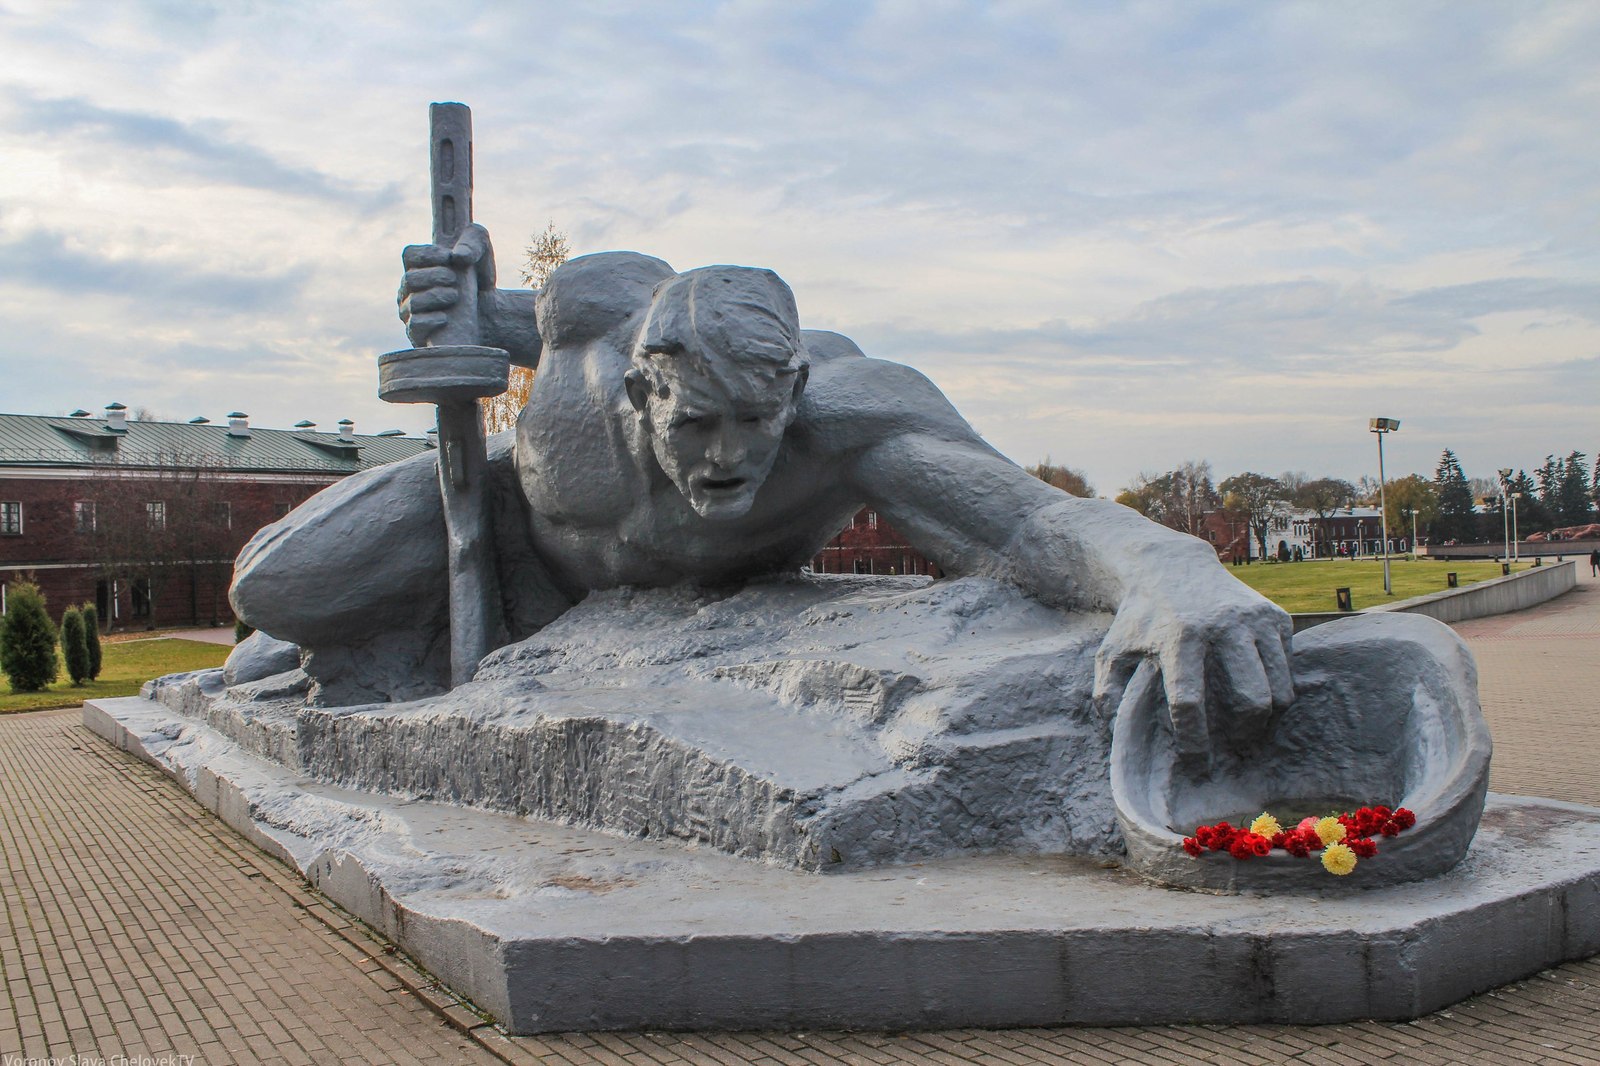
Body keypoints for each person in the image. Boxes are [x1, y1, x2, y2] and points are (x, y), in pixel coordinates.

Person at [231, 225, 1294, 756]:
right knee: (274, 591)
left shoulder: (850, 409)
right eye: (695, 424)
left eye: (757, 423)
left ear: (790, 390)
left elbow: (1024, 518)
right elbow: (483, 320)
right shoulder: (588, 324)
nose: (729, 456)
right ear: (646, 390)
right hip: (504, 531)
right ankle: (330, 639)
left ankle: (355, 648)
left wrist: (1165, 564)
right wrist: (448, 305)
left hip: (599, 630)